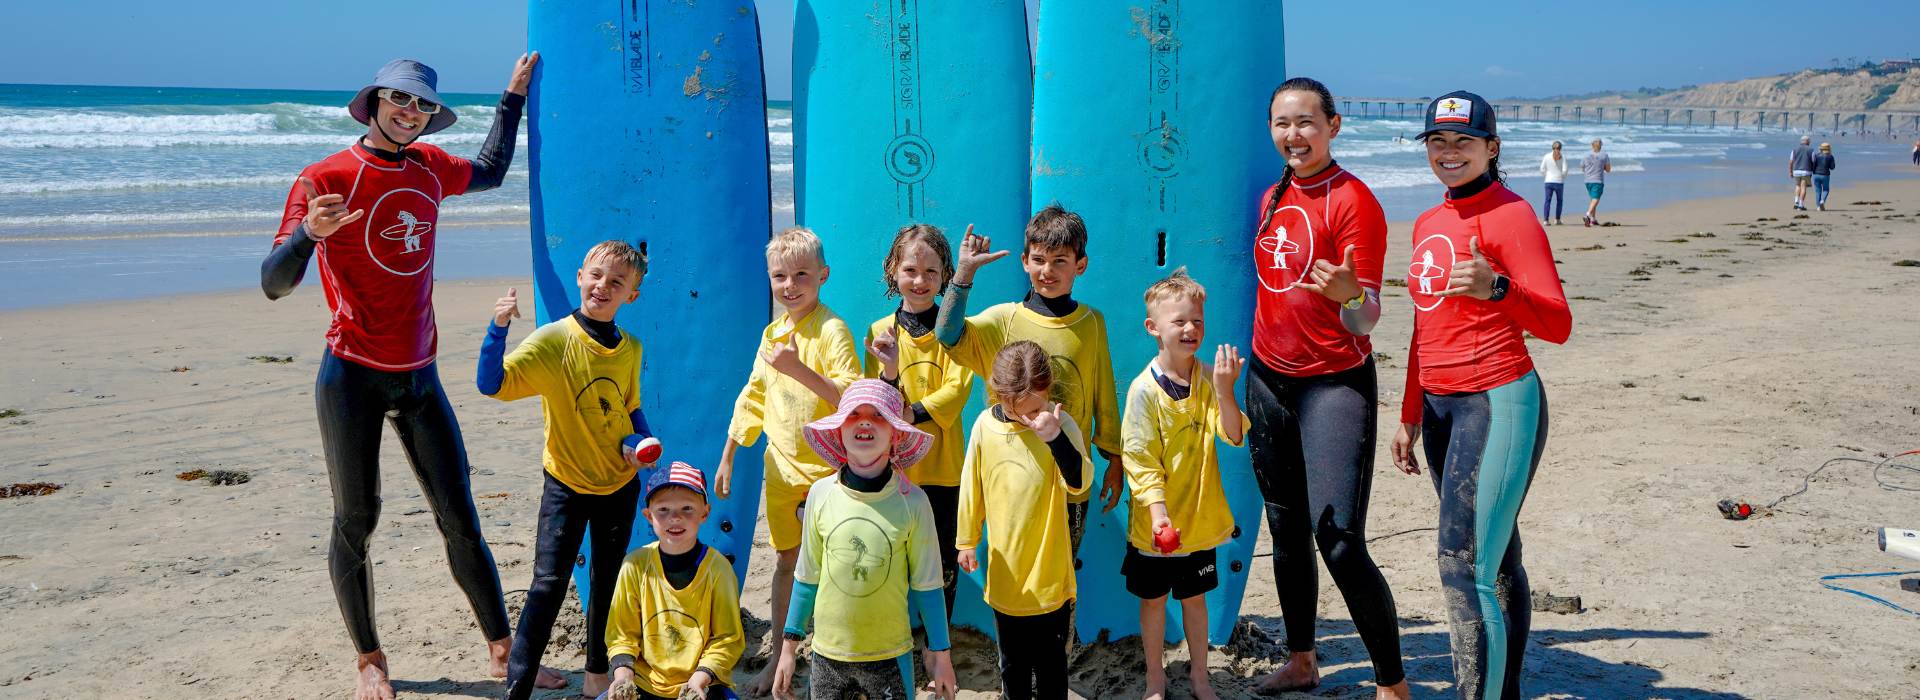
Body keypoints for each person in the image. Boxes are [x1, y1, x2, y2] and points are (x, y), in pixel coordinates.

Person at [259, 53, 537, 700]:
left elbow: (492, 171)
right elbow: (273, 284)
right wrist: (306, 235)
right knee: (357, 518)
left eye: (421, 106)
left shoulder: (431, 169)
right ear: (375, 102)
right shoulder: (325, 178)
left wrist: (512, 99)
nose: (410, 113)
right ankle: (369, 659)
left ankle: (502, 651)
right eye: (399, 100)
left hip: (419, 374)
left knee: (460, 515)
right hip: (351, 375)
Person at [1391, 91, 1572, 700]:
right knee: (1494, 561)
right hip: (1441, 407)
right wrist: (1410, 413)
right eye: (1437, 142)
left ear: (1491, 148)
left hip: (1497, 402)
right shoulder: (1428, 221)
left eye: (1463, 142)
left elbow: (1558, 323)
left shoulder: (1513, 215)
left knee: (1464, 569)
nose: (1448, 153)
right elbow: (1425, 323)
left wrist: (1497, 290)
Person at [1247, 77, 1411, 699]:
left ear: (1333, 127)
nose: (1294, 134)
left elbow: (1367, 319)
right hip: (1268, 378)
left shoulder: (1355, 201)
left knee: (1338, 540)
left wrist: (1349, 297)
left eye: (1306, 122)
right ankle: (1301, 660)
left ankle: (1392, 686)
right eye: (1282, 122)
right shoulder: (1272, 195)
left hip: (1333, 384)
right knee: (1286, 531)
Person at [477, 241, 656, 699]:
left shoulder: (631, 347)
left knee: (607, 579)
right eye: (597, 275)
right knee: (548, 584)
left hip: (619, 482)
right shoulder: (554, 339)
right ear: (580, 276)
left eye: (617, 282)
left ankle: (596, 674)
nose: (603, 286)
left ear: (630, 295)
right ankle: (517, 686)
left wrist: (642, 445)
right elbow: (491, 384)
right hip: (567, 483)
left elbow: (629, 408)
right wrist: (497, 328)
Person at [717, 227, 863, 697]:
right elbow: (754, 394)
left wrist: (797, 368)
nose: (790, 285)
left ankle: (839, 659)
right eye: (780, 276)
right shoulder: (772, 332)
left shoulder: (832, 328)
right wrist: (729, 453)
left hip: (829, 471)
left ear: (823, 276)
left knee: (837, 567)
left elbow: (851, 398)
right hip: (780, 470)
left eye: (801, 274)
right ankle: (781, 658)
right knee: (786, 561)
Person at [934, 207, 1124, 552]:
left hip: (1067, 478)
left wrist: (1114, 458)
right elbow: (946, 333)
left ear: (1080, 265)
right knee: (1015, 574)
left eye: (1059, 261)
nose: (1047, 271)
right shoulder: (1002, 320)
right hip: (1012, 477)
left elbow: (1103, 392)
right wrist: (963, 274)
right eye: (1038, 260)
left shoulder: (1092, 322)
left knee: (1063, 573)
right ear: (1024, 261)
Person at [771, 380, 960, 700]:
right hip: (828, 656)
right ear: (839, 432)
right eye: (854, 414)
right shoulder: (820, 494)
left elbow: (929, 586)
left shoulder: (913, 502)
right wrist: (788, 649)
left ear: (896, 435)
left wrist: (941, 657)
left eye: (879, 415)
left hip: (891, 656)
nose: (865, 421)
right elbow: (806, 577)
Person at [1119, 269, 1248, 700]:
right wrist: (1158, 516)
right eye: (1179, 321)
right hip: (1156, 526)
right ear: (1153, 328)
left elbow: (1232, 435)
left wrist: (1227, 391)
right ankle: (1155, 677)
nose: (1190, 329)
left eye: (1197, 320)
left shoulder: (1210, 381)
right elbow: (1140, 461)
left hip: (1197, 523)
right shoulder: (1143, 391)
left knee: (1195, 600)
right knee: (1153, 602)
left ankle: (1200, 676)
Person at [955, 341, 1091, 700]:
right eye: (1020, 410)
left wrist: (1054, 439)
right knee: (1012, 665)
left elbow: (1080, 483)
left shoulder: (1060, 423)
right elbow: (973, 484)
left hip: (1049, 574)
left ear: (1048, 391)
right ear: (998, 394)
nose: (1031, 418)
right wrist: (966, 540)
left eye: (1037, 407)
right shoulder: (985, 426)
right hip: (1005, 575)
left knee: (1051, 667)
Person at [862, 224, 975, 623]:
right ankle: (896, 634)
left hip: (944, 470)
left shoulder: (955, 333)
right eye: (910, 270)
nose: (920, 281)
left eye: (931, 272)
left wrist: (910, 414)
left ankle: (937, 642)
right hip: (895, 469)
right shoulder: (879, 331)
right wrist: (890, 372)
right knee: (892, 556)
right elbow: (872, 402)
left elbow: (958, 389)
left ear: (945, 275)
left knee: (943, 560)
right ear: (892, 269)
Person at [603, 463, 747, 700]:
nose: (675, 518)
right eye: (663, 510)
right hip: (644, 683)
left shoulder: (718, 569)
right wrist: (623, 677)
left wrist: (698, 681)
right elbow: (621, 635)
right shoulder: (635, 565)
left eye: (687, 508)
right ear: (648, 516)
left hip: (700, 684)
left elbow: (727, 639)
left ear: (705, 513)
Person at [1580, 138, 1610, 227]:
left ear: (1592, 145)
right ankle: (1588, 215)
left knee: (1592, 200)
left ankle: (1593, 219)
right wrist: (1602, 167)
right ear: (1601, 145)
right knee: (1596, 199)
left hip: (1587, 180)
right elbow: (1608, 169)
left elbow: (1582, 167)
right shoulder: (1604, 155)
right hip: (1597, 180)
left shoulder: (1585, 155)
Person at [1539, 141, 1566, 225]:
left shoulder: (1547, 156)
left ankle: (1546, 220)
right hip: (1559, 181)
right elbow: (1565, 170)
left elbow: (1542, 169)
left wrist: (1546, 175)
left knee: (1547, 201)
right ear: (1560, 148)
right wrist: (1561, 176)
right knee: (1559, 201)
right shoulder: (1563, 157)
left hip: (1548, 181)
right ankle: (1557, 220)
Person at [1789, 135, 1816, 211]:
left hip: (1796, 171)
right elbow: (1814, 161)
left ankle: (1796, 202)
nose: (1810, 142)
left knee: (1798, 186)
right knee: (1803, 187)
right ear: (1807, 141)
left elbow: (1791, 162)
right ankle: (1801, 205)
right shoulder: (1811, 150)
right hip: (1806, 171)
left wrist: (1790, 172)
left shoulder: (1794, 150)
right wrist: (1813, 170)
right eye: (1809, 141)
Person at [1810, 142, 1837, 211]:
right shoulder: (1830, 156)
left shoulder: (1816, 155)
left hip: (1816, 174)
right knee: (1826, 190)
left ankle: (1818, 207)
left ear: (1821, 149)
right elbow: (1832, 167)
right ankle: (1822, 201)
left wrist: (1813, 172)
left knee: (1818, 191)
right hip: (1825, 175)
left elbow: (1813, 165)